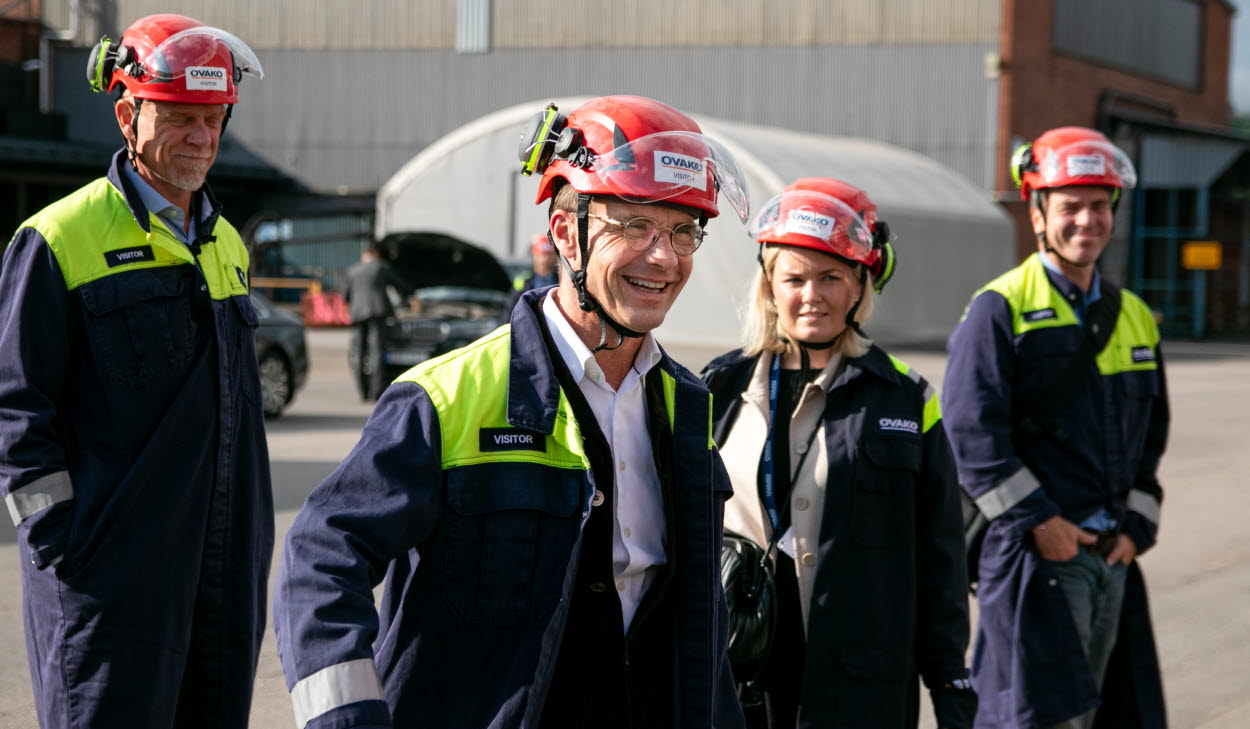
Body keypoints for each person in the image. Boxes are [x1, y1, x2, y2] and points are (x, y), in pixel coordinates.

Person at [274, 95, 751, 729]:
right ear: (564, 234)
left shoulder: (688, 409)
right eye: (634, 224)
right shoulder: (447, 397)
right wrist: (347, 716)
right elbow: (321, 556)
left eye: (683, 230)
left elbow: (695, 632)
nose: (663, 257)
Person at [0, 14, 271, 728]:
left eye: (213, 120)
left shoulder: (227, 246)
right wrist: (65, 545)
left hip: (220, 577)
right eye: (181, 118)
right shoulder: (59, 239)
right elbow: (14, 414)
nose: (202, 140)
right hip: (108, 587)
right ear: (128, 113)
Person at [701, 178, 976, 729]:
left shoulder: (907, 396)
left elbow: (940, 555)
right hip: (737, 672)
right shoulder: (716, 387)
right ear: (769, 287)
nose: (812, 295)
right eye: (795, 278)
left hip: (861, 680)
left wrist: (949, 680)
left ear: (860, 286)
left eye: (830, 277)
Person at [942, 127, 1169, 729]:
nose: (1087, 220)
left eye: (1100, 206)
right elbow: (971, 436)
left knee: (1094, 713)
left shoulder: (1138, 318)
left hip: (1110, 560)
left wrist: (1137, 528)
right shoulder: (1001, 306)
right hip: (1037, 560)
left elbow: (1152, 438)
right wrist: (1043, 523)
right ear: (1039, 214)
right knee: (1028, 718)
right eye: (1070, 206)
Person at [345, 242, 412, 400]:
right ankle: (376, 392)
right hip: (377, 314)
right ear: (376, 255)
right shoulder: (381, 267)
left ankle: (363, 391)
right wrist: (410, 295)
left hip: (357, 315)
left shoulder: (352, 270)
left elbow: (345, 295)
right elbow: (400, 285)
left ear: (363, 256)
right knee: (376, 352)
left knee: (359, 353)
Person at [507, 232, 559, 311]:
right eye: (540, 255)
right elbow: (510, 310)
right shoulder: (522, 281)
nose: (544, 259)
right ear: (534, 256)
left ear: (554, 256)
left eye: (548, 254)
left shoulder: (562, 279)